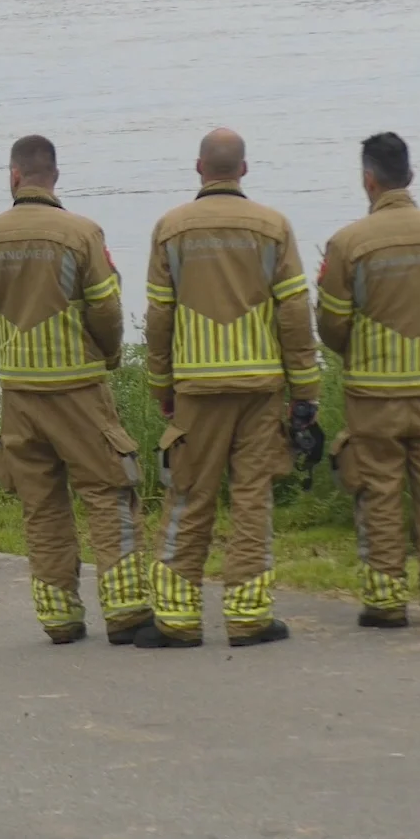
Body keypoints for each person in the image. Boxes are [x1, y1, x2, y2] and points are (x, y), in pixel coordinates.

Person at [138, 130, 318, 649]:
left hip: (196, 391)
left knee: (187, 499)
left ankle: (176, 618)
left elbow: (158, 318)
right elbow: (293, 314)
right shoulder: (273, 227)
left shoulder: (169, 230)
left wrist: (161, 387)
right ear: (244, 169)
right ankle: (248, 616)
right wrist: (304, 390)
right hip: (261, 389)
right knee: (252, 499)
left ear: (199, 168)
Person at [0, 136, 149, 645]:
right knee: (110, 493)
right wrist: (107, 355)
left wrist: (12, 349)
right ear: (55, 176)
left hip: (18, 394)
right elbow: (107, 310)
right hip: (78, 389)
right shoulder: (81, 233)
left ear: (14, 176)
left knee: (41, 503)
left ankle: (59, 618)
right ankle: (126, 610)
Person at [316, 133, 420, 628]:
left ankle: (384, 601)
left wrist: (355, 351)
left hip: (373, 392)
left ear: (368, 180)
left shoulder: (348, 243)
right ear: (411, 176)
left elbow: (333, 323)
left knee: (378, 488)